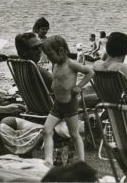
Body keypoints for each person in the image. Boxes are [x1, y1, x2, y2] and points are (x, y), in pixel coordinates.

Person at [41, 36, 94, 165]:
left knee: (74, 134)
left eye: (50, 54)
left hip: (69, 104)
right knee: (46, 130)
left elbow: (90, 72)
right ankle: (48, 160)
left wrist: (79, 86)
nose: (49, 58)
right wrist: (53, 88)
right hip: (58, 104)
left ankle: (81, 162)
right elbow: (57, 79)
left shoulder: (71, 64)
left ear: (61, 51)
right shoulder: (56, 64)